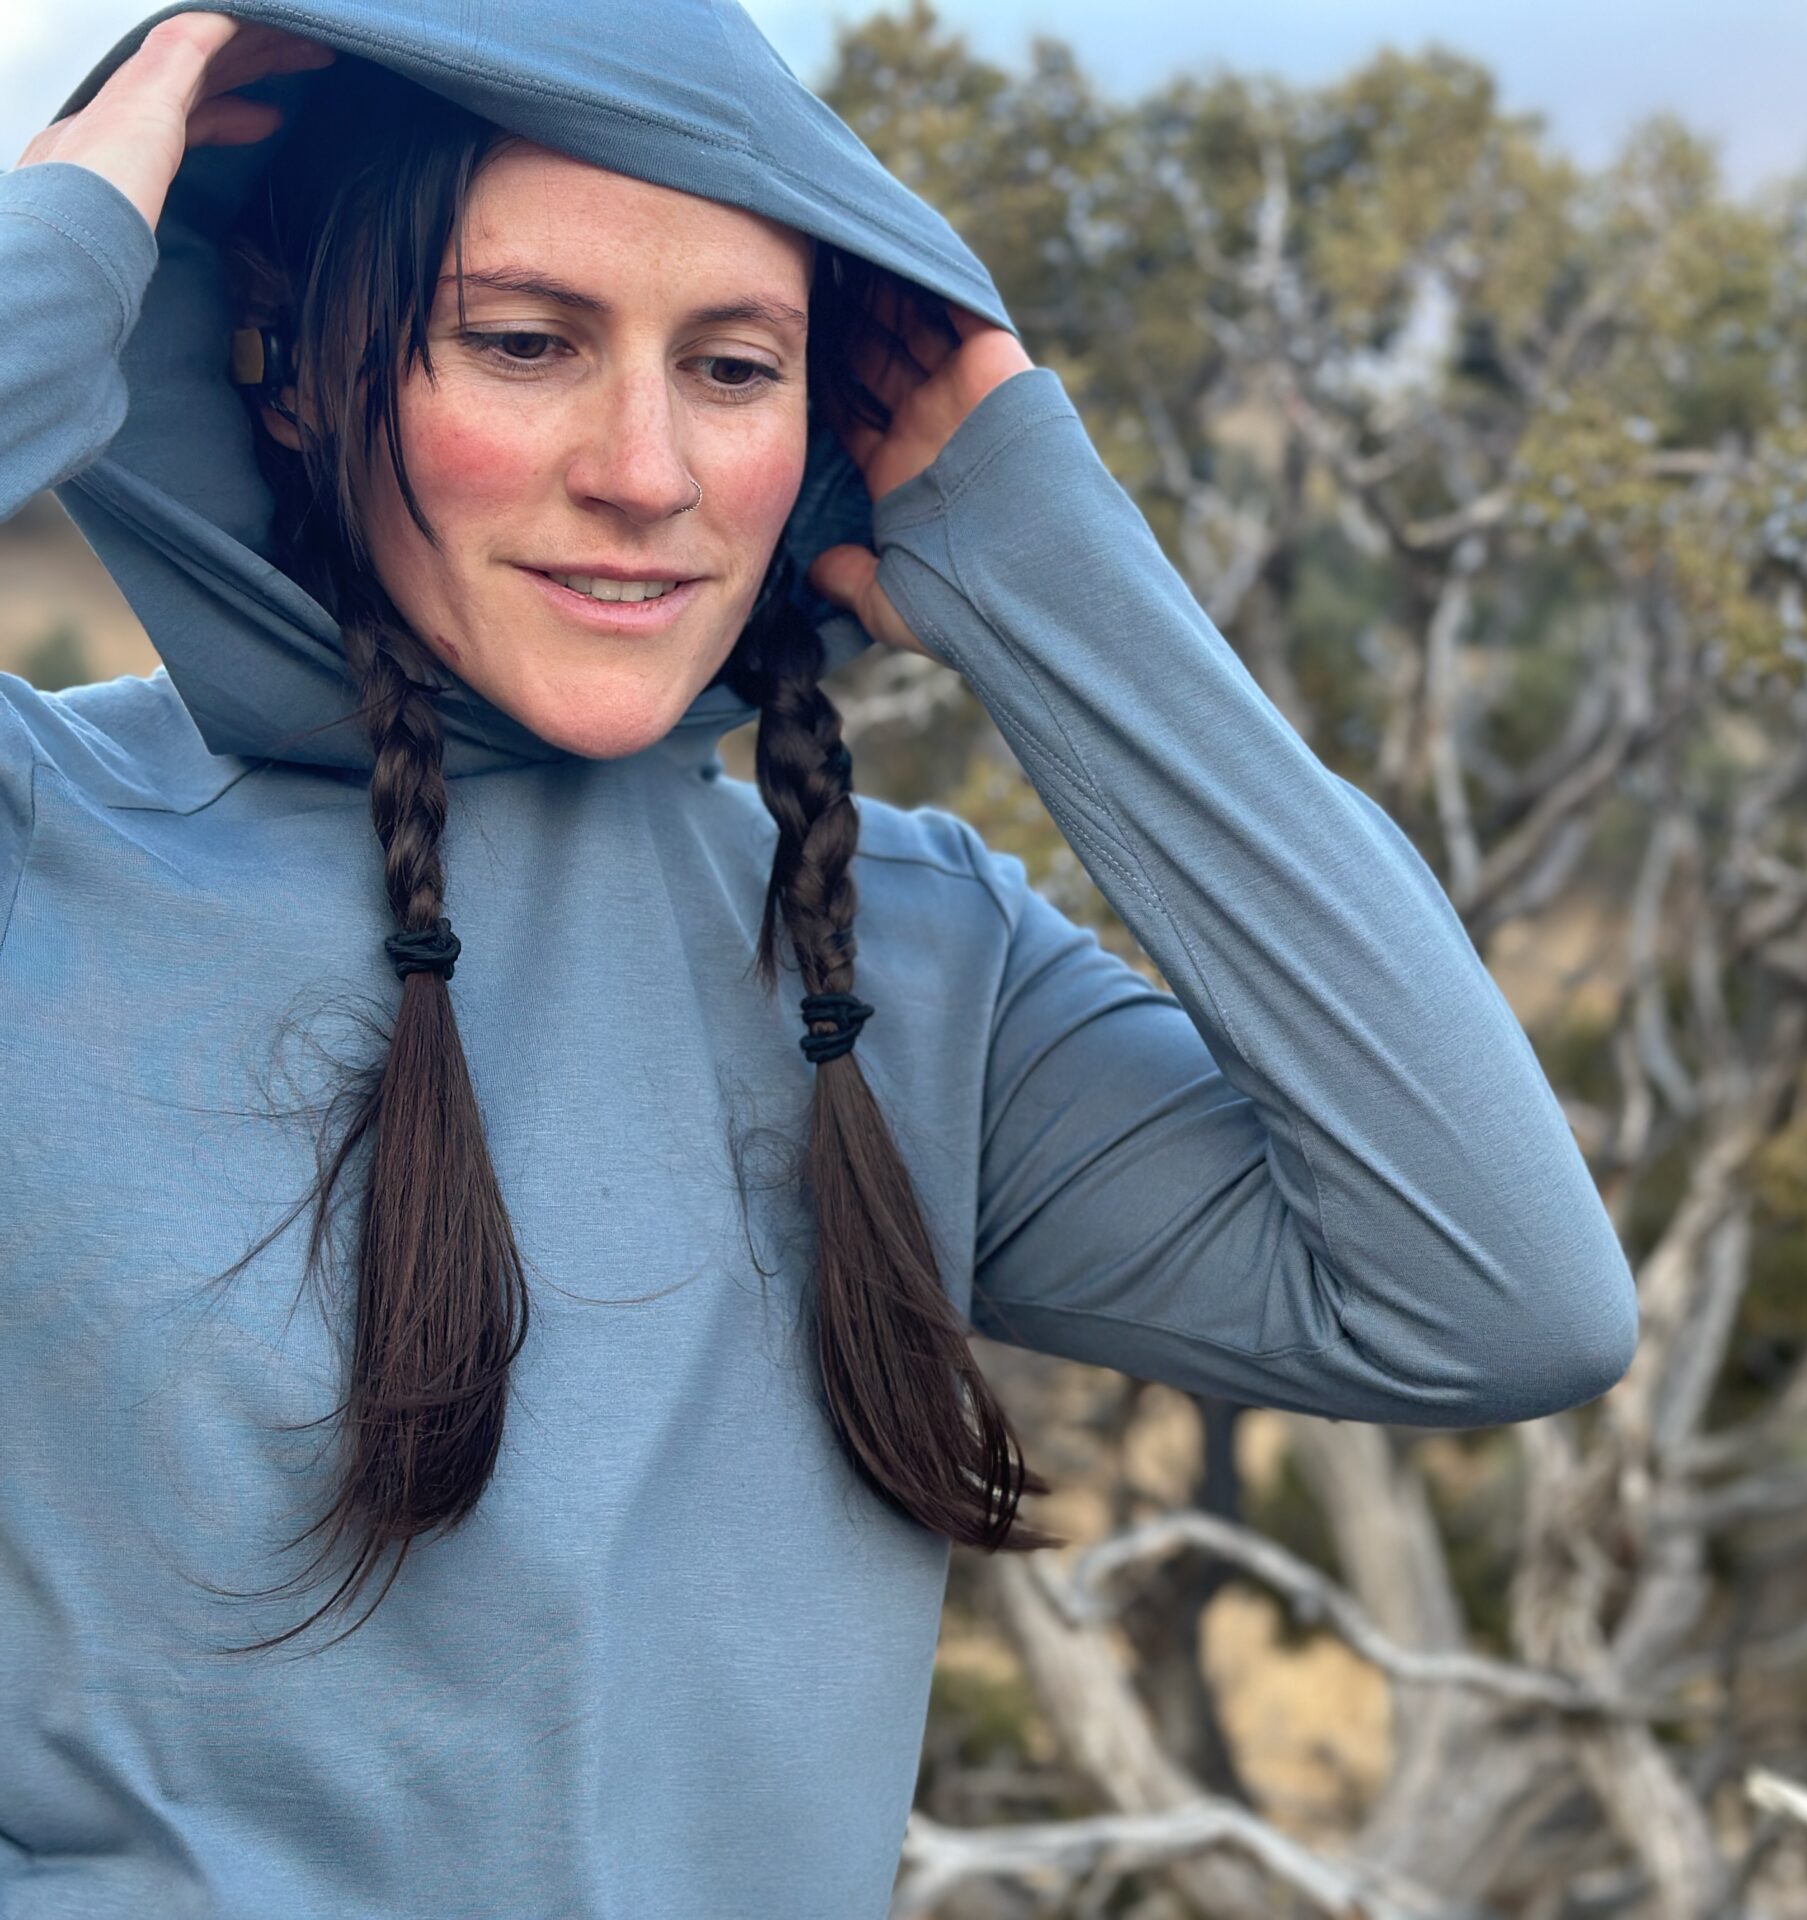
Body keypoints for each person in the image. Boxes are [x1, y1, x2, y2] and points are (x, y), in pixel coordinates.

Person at [0, 1, 1641, 1913]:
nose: (647, 469)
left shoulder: (909, 966)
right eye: (526, 343)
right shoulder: (47, 842)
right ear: (285, 367)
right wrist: (81, 234)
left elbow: (1503, 1296)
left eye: (735, 367)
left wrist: (1040, 554)